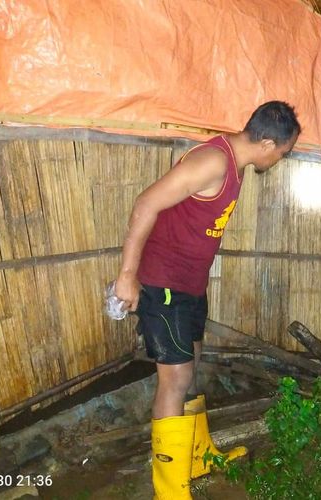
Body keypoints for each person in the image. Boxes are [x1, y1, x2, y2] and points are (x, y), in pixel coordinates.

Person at [113, 101, 301, 499]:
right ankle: (169, 490)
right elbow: (146, 203)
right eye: (283, 152)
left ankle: (197, 457)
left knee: (192, 364)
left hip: (190, 286)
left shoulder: (236, 165)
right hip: (164, 285)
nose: (281, 159)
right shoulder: (214, 162)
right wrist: (128, 275)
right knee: (175, 380)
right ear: (267, 143)